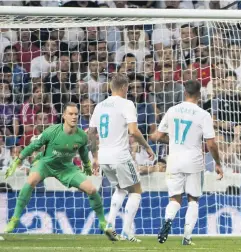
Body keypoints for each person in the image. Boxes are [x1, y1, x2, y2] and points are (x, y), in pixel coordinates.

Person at [3, 103, 116, 241]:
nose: (74, 117)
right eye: (71, 114)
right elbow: (33, 146)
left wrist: (87, 164)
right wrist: (17, 161)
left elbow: (83, 151)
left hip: (66, 168)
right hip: (45, 164)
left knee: (91, 189)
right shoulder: (52, 131)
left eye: (76, 114)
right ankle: (14, 219)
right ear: (64, 116)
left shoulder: (81, 135)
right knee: (31, 181)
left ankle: (103, 223)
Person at [150, 80, 223, 246]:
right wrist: (218, 163)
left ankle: (168, 220)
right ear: (199, 94)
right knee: (193, 199)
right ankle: (187, 238)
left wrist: (174, 141)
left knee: (175, 199)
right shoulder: (203, 114)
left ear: (185, 93)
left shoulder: (172, 110)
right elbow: (211, 144)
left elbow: (157, 136)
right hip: (194, 160)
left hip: (174, 160)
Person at [88, 74, 155, 242]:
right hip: (120, 155)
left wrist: (95, 157)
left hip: (104, 157)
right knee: (136, 191)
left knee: (121, 189)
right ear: (124, 87)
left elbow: (90, 133)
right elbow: (133, 130)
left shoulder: (99, 106)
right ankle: (127, 232)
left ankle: (109, 224)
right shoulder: (127, 104)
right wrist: (147, 146)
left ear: (111, 87)